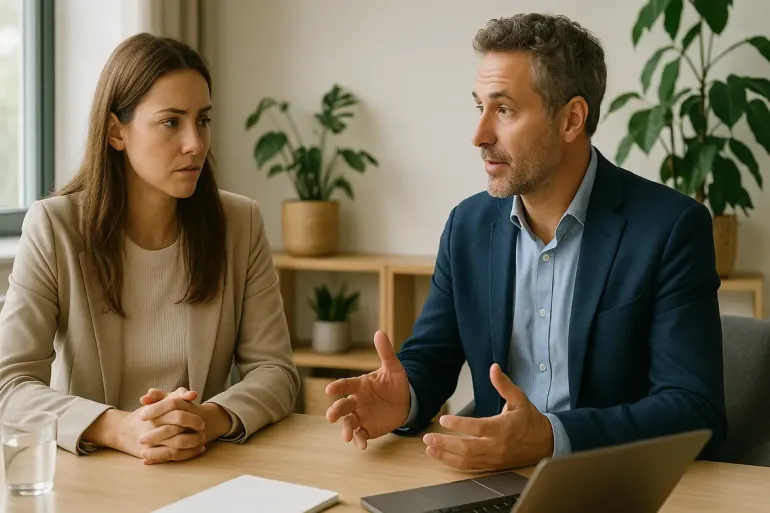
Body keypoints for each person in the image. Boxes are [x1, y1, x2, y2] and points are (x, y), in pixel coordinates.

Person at [325, 13, 726, 471]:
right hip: (489, 479)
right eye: (480, 108)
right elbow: (432, 356)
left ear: (572, 118)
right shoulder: (468, 226)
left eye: (505, 110)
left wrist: (553, 438)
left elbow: (696, 410)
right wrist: (406, 398)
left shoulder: (670, 228)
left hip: (613, 484)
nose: (479, 136)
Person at [0, 33, 300, 465]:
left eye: (203, 120)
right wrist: (119, 427)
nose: (195, 143)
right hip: (94, 473)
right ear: (116, 132)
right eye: (171, 122)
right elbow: (11, 384)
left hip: (200, 465)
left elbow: (276, 372)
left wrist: (205, 419)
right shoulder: (55, 227)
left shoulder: (240, 223)